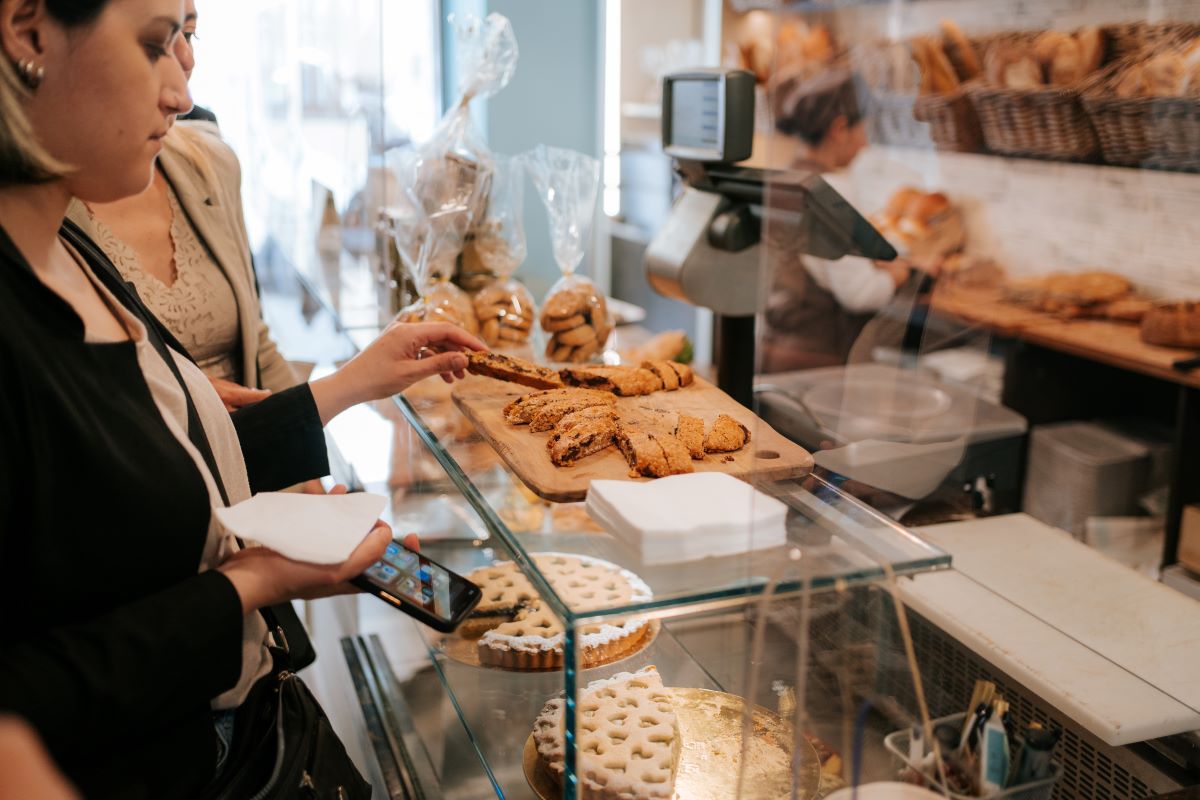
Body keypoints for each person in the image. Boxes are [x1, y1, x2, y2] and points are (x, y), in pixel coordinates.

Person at [0, 1, 484, 797]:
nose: (182, 95)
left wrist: (351, 384)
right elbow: (25, 698)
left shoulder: (72, 253)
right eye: (156, 43)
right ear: (29, 34)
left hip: (257, 726)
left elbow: (158, 477)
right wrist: (254, 582)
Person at [67, 0, 295, 413]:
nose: (184, 96)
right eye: (157, 43)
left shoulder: (210, 164)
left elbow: (257, 346)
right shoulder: (37, 213)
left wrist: (306, 452)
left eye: (188, 34)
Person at [761, 66, 925, 372]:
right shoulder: (832, 191)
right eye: (864, 129)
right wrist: (900, 272)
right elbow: (859, 294)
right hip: (815, 363)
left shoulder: (789, 177)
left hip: (773, 350)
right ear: (839, 129)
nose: (865, 144)